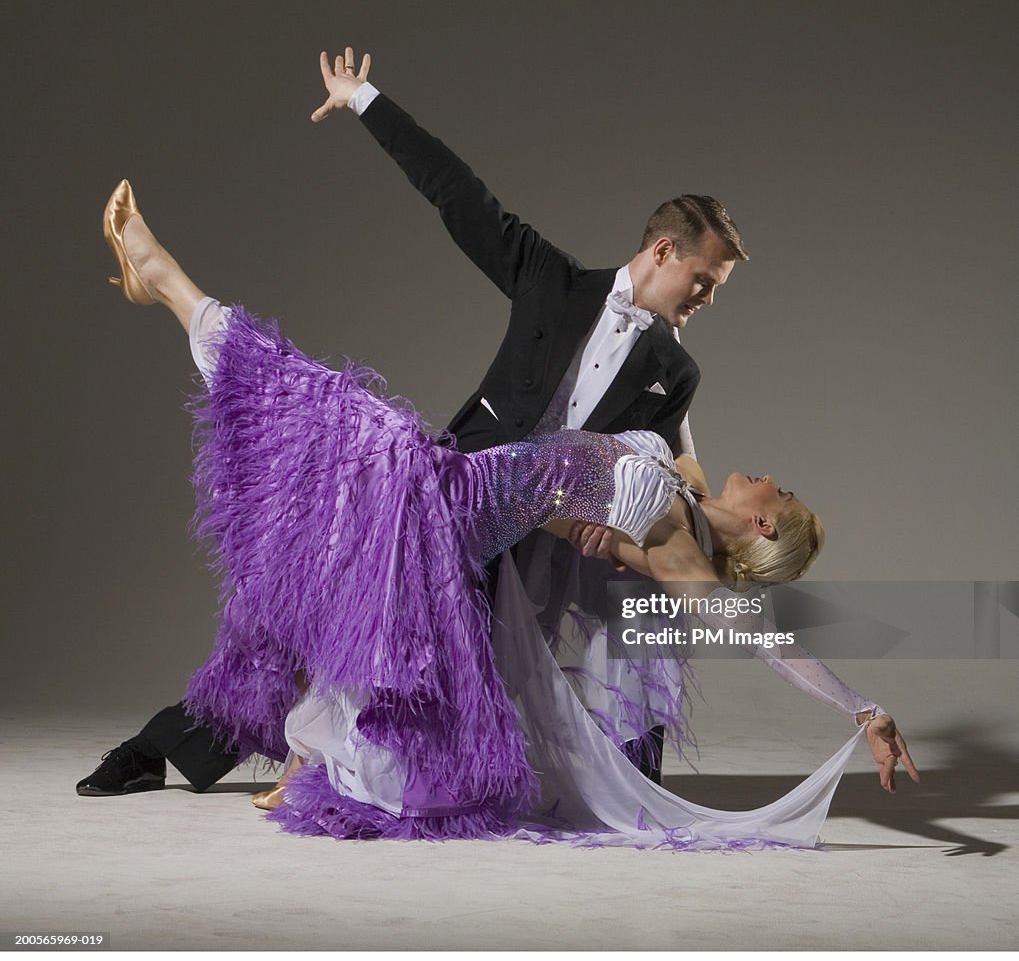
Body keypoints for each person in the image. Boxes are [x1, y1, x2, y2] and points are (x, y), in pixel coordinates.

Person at [93, 176, 917, 849]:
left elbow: (754, 633)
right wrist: (587, 514)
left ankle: (161, 276)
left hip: (453, 505)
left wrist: (861, 708)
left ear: (766, 524)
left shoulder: (679, 552)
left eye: (783, 489)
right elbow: (616, 470)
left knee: (310, 406)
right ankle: (160, 280)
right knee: (317, 471)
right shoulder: (684, 488)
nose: (771, 475)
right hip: (458, 482)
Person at [78, 47, 745, 797]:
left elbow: (675, 466)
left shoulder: (674, 370)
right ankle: (162, 750)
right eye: (703, 281)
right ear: (663, 251)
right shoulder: (551, 281)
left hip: (534, 550)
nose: (706, 299)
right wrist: (366, 99)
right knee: (307, 619)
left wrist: (713, 533)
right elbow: (458, 195)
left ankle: (629, 782)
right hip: (445, 497)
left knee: (454, 674)